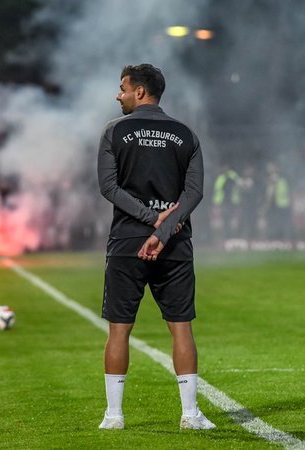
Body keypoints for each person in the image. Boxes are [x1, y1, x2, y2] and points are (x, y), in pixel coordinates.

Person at [97, 64, 214, 430]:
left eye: (122, 88)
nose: (118, 95)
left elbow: (109, 188)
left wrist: (148, 219)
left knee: (119, 329)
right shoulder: (186, 134)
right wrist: (163, 227)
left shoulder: (114, 131)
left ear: (141, 92)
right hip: (175, 243)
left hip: (127, 242)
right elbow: (193, 193)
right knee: (181, 328)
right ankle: (190, 414)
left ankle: (114, 416)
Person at [260, 162, 292, 240]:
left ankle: (277, 239)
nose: (269, 168)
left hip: (277, 204)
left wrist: (266, 204)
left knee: (276, 223)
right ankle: (278, 238)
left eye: (270, 167)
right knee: (277, 223)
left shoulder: (274, 178)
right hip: (280, 204)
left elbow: (271, 193)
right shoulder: (283, 177)